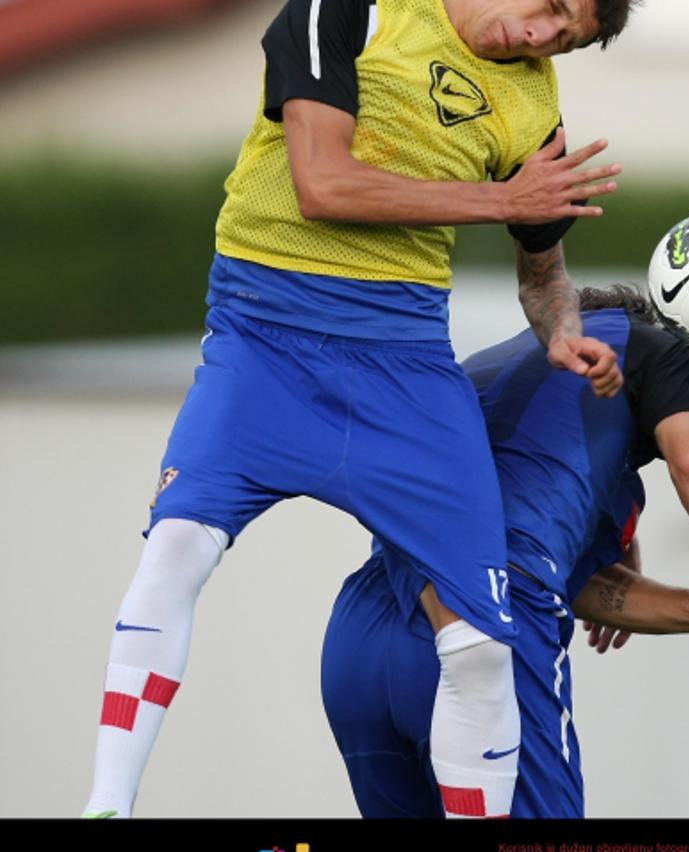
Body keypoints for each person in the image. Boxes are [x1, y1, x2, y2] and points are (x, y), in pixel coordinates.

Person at [82, 0, 642, 819]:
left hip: (407, 369)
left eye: (569, 37)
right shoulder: (353, 7)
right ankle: (106, 806)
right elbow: (322, 183)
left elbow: (543, 274)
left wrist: (562, 335)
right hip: (266, 340)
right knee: (175, 549)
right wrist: (500, 202)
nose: (542, 37)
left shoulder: (534, 103)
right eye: (550, 9)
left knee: (485, 644)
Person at [320, 286, 689, 817]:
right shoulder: (647, 344)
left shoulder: (486, 365)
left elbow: (576, 582)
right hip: (488, 624)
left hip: (361, 639)